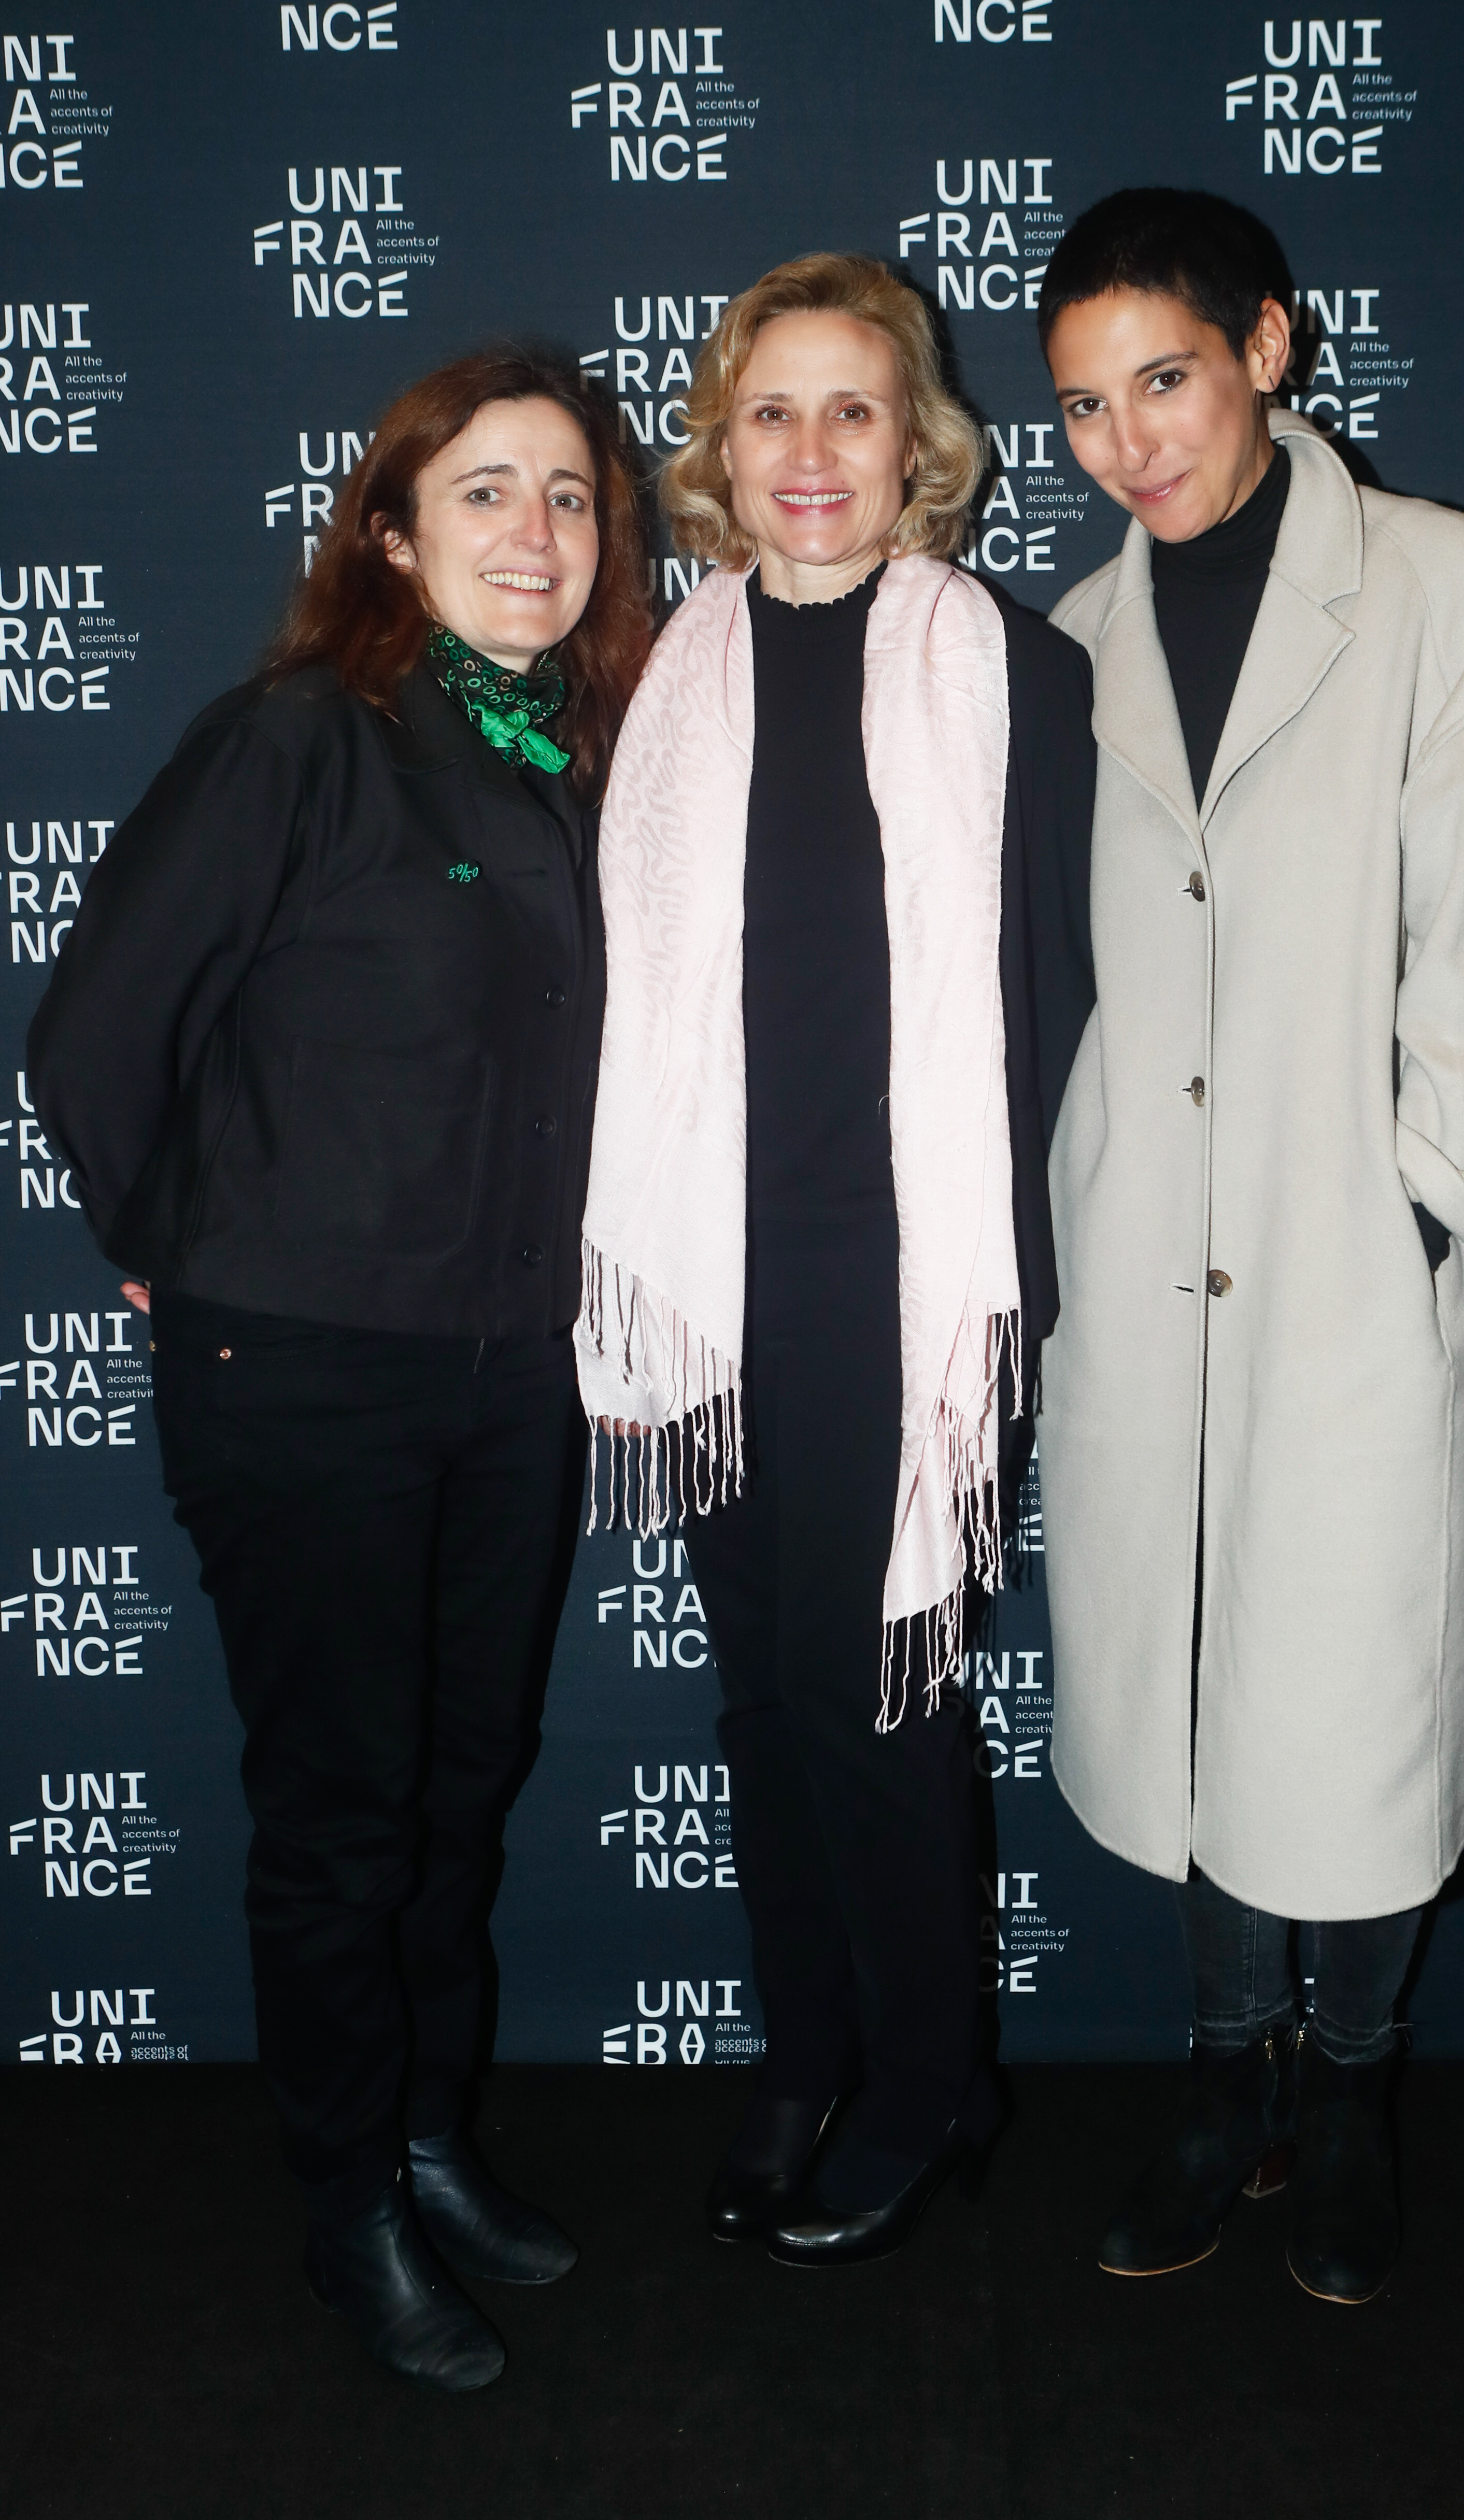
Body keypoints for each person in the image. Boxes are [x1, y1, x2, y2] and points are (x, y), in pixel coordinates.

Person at [27, 348, 652, 2389]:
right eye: (484, 493)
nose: (533, 535)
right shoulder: (306, 736)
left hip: (504, 1375)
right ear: (391, 530)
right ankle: (345, 2205)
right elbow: (100, 1025)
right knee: (340, 1813)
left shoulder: (580, 763)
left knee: (461, 1789)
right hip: (303, 1374)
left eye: (567, 496)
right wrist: (170, 1250)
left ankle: (422, 2130)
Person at [1033, 190, 1464, 2303]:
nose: (1123, 441)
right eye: (1082, 404)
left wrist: (1426, 1193)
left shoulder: (1437, 586)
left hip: (1355, 1255)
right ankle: (1219, 2079)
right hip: (1151, 1254)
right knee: (1189, 1684)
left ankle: (1348, 2085)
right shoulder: (1073, 647)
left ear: (1267, 344)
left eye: (1160, 378)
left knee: (1346, 1691)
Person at [575, 253, 1096, 2266]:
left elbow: (1059, 999)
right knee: (764, 1701)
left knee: (883, 1702)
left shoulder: (1006, 669)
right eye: (769, 412)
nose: (810, 454)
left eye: (852, 412)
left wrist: (1010, 1281)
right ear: (719, 446)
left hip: (906, 1274)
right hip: (715, 1278)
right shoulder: (665, 681)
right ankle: (804, 2056)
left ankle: (928, 2081)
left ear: (919, 450)